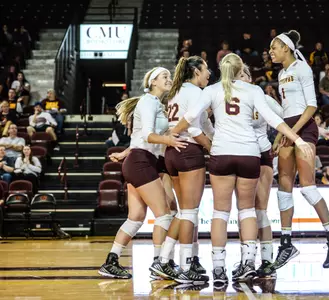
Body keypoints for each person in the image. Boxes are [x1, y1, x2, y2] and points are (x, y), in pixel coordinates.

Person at [170, 53, 312, 286]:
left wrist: (171, 133)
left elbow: (190, 117)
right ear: (240, 71)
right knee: (247, 210)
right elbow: (275, 120)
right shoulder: (254, 91)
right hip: (249, 153)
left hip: (221, 153)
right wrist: (297, 139)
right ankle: (248, 263)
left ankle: (218, 268)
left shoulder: (212, 90)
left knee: (220, 213)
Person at [266, 30, 329, 274]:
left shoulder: (302, 68)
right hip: (289, 128)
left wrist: (295, 134)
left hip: (303, 128)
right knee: (284, 187)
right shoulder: (281, 74)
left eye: (274, 48)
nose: (271, 52)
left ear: (287, 48)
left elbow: (311, 106)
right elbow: (287, 110)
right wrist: (281, 136)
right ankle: (286, 244)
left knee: (308, 186)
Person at [98, 67, 188, 279]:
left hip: (138, 160)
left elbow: (139, 136)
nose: (169, 79)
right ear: (153, 81)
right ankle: (159, 264)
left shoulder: (155, 103)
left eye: (169, 76)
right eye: (164, 76)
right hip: (141, 162)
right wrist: (169, 140)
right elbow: (148, 135)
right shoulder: (148, 102)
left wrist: (124, 152)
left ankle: (111, 261)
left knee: (136, 218)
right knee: (164, 215)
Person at [150, 56, 213, 284]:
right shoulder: (196, 93)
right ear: (196, 71)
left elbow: (205, 123)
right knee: (190, 212)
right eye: (206, 70)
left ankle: (169, 259)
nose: (209, 74)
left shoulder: (176, 92)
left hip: (172, 153)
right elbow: (196, 130)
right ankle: (185, 264)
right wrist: (212, 147)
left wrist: (212, 138)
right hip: (187, 150)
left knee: (185, 212)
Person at [235, 65, 283, 279]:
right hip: (240, 154)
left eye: (244, 74)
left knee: (260, 209)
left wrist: (281, 140)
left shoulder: (263, 98)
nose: (240, 78)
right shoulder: (228, 100)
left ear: (250, 78)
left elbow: (286, 119)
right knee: (245, 211)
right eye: (237, 75)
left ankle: (266, 260)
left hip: (262, 153)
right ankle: (246, 260)